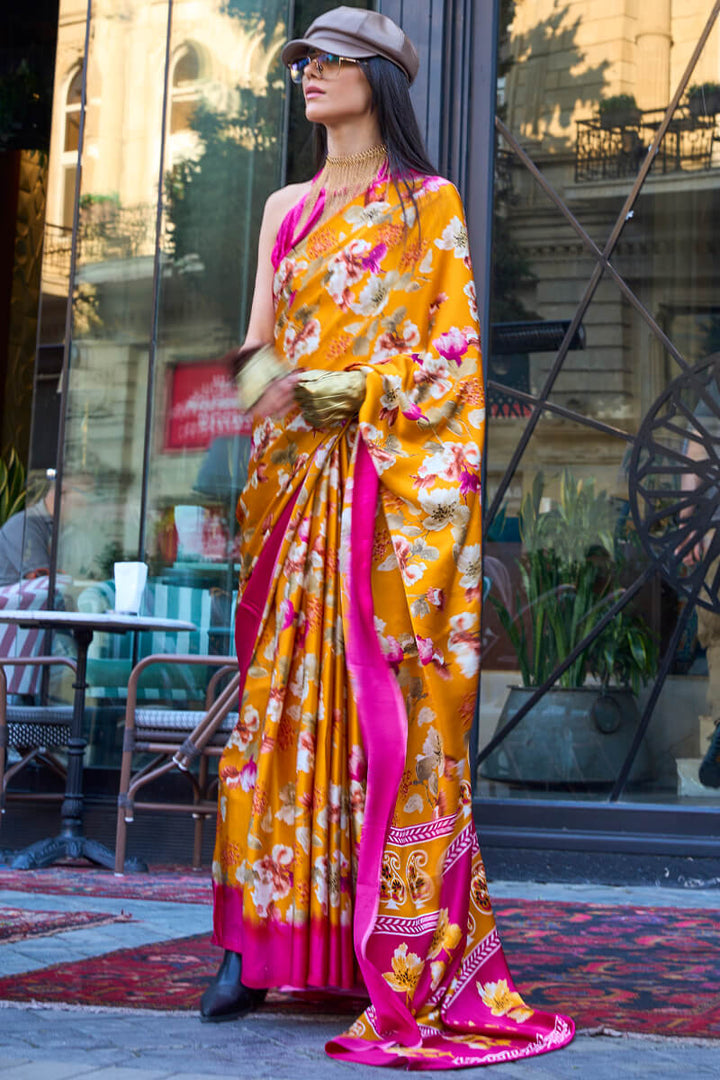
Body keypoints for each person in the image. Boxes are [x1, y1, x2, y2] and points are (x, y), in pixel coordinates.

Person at [201, 7, 574, 1068]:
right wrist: (274, 388)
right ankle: (248, 944)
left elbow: (453, 366)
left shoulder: (428, 207)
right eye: (302, 61)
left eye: (328, 62)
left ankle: (393, 952)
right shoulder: (284, 206)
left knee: (386, 726)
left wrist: (350, 389)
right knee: (273, 719)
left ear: (380, 81)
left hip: (384, 495)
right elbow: (252, 350)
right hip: (293, 498)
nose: (307, 75)